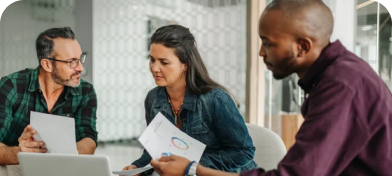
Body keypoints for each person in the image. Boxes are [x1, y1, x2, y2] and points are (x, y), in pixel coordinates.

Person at [149, 0, 392, 175]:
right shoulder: (333, 76)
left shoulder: (342, 85)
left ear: (303, 47)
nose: (261, 52)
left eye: (268, 44)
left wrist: (192, 169)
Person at [121, 24, 257, 176]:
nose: (154, 68)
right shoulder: (153, 99)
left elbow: (243, 153)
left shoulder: (215, 100)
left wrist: (190, 166)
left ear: (185, 65)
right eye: (152, 60)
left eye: (164, 62)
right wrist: (136, 168)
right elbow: (154, 152)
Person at [0, 27, 98, 176]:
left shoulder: (86, 91)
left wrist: (62, 156)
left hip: (63, 167)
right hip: (16, 165)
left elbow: (89, 140)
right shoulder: (11, 86)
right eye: (72, 62)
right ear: (47, 65)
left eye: (80, 58)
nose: (81, 68)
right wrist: (20, 152)